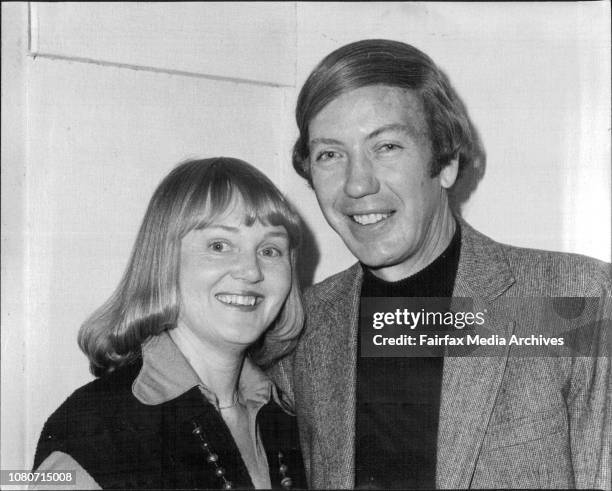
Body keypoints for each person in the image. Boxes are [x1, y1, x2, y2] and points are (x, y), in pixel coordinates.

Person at [269, 39, 611, 489]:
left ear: (446, 162)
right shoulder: (305, 324)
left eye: (387, 146)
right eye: (330, 154)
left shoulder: (572, 299)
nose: (357, 184)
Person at [33, 157, 307, 490]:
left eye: (270, 250)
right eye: (219, 245)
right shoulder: (93, 428)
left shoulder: (287, 415)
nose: (251, 271)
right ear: (164, 262)